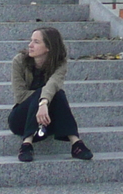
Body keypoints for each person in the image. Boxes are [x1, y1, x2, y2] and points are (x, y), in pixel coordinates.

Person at [10, 27, 91, 162]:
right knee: (48, 92)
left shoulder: (60, 63)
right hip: (21, 120)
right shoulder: (20, 61)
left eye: (36, 42)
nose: (30, 45)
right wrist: (42, 101)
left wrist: (44, 102)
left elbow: (53, 83)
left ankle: (76, 143)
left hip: (47, 120)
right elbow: (20, 96)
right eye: (31, 41)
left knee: (58, 93)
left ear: (48, 47)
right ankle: (27, 143)